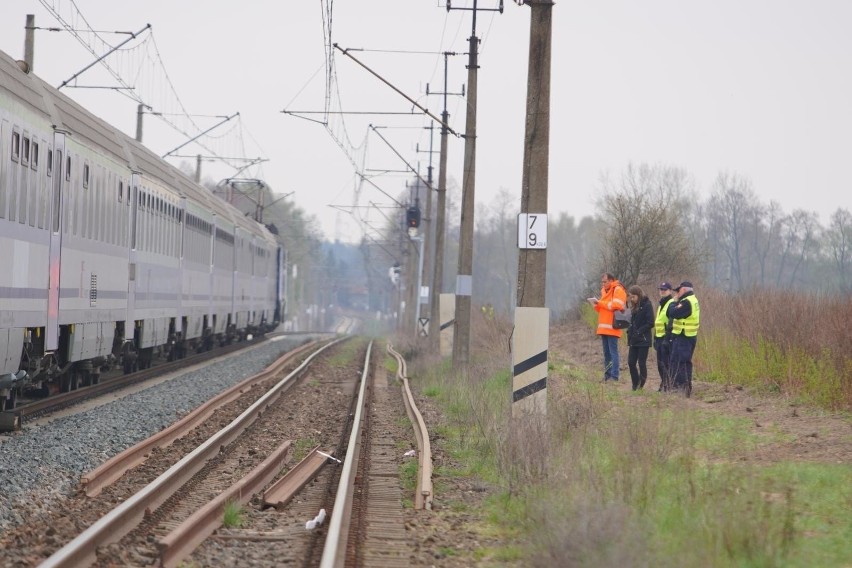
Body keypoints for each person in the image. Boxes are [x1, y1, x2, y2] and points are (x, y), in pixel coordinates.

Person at [587, 273, 627, 382]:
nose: (603, 284)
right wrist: (596, 305)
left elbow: (616, 305)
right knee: (607, 353)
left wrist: (600, 303)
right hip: (603, 327)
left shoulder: (618, 289)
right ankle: (607, 375)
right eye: (602, 282)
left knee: (613, 352)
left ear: (611, 281)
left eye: (605, 282)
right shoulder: (604, 291)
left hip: (613, 326)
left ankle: (614, 376)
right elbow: (602, 308)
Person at [666, 281, 700, 396]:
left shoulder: (687, 302)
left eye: (678, 290)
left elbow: (673, 313)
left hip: (684, 337)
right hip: (684, 336)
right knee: (678, 362)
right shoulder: (691, 300)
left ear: (684, 290)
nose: (677, 293)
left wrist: (672, 302)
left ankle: (682, 389)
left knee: (681, 363)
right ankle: (680, 388)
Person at [626, 285, 654, 390]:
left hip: (643, 339)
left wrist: (639, 332)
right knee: (631, 362)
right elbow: (632, 321)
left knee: (641, 362)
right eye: (630, 297)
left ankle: (641, 385)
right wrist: (630, 330)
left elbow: (650, 322)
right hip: (633, 339)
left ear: (638, 295)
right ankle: (635, 383)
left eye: (633, 297)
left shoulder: (647, 305)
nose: (632, 299)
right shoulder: (633, 307)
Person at [654, 282, 675, 391]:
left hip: (665, 339)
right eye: (661, 289)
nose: (662, 291)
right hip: (659, 338)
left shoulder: (671, 304)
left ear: (670, 291)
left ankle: (668, 385)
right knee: (660, 364)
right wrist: (655, 337)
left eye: (665, 289)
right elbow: (658, 322)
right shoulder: (661, 304)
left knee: (665, 364)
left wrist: (667, 338)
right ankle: (664, 383)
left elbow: (671, 323)